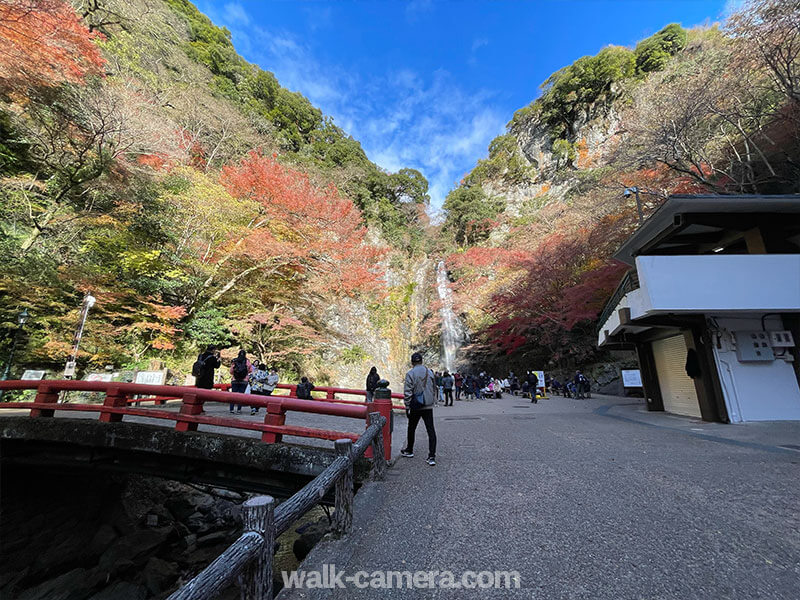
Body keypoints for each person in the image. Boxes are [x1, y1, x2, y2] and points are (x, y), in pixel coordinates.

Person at [401, 352, 437, 466]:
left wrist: (407, 405)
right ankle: (432, 456)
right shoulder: (429, 372)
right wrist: (433, 400)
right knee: (430, 430)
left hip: (416, 405)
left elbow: (408, 391)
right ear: (421, 361)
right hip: (427, 405)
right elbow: (434, 387)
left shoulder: (411, 373)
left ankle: (409, 450)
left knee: (411, 428)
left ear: (412, 362)